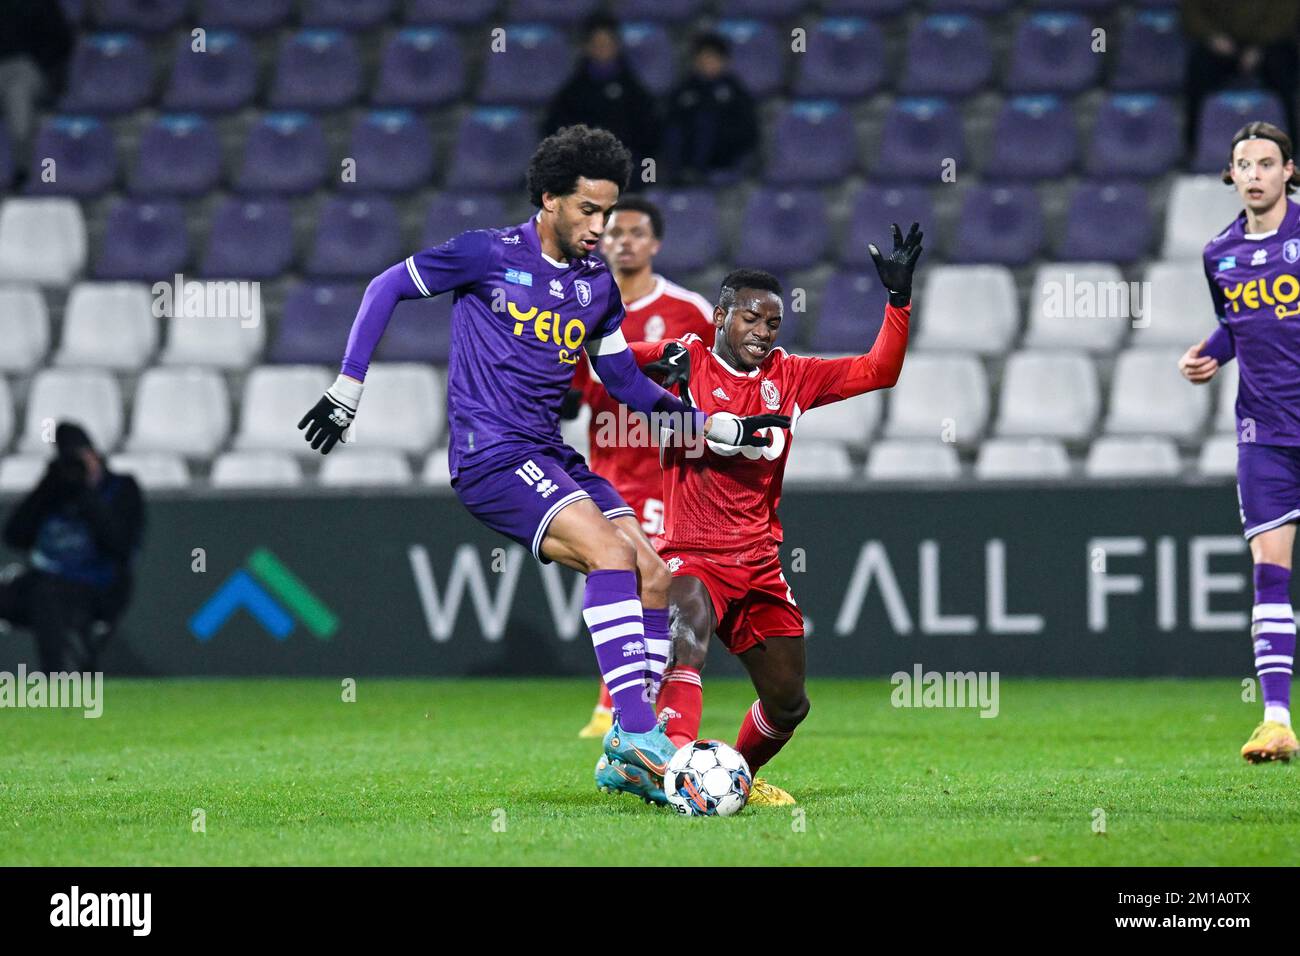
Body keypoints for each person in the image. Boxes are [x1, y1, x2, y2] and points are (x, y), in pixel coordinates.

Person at [297, 125, 784, 789]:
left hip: (548, 453)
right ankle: (639, 734)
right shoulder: (485, 255)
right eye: (589, 210)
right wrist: (346, 389)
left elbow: (626, 385)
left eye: (609, 213)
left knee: (650, 573)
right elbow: (386, 286)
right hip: (490, 453)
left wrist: (710, 428)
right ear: (549, 199)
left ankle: (624, 756)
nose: (601, 227)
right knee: (609, 556)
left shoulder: (596, 287)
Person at [608, 225, 922, 807]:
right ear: (721, 315)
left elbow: (880, 369)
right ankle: (668, 771)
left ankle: (730, 777)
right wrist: (648, 382)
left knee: (788, 701)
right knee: (687, 627)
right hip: (690, 550)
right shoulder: (686, 357)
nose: (762, 332)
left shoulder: (793, 376)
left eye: (773, 323)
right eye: (750, 319)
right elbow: (606, 363)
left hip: (759, 561)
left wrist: (898, 301)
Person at [564, 196, 715, 739]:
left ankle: (626, 707)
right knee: (625, 575)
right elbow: (573, 395)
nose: (624, 241)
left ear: (655, 243)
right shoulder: (582, 305)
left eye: (636, 232)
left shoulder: (689, 310)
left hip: (664, 473)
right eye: (615, 232)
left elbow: (715, 379)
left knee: (652, 579)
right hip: (604, 469)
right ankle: (632, 707)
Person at [1178, 120, 1300, 763]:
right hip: (1265, 434)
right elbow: (1236, 323)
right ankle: (1276, 720)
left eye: (1265, 163)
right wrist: (1210, 355)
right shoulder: (1218, 253)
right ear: (1232, 176)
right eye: (1243, 164)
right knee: (1270, 574)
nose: (1253, 173)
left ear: (1288, 172)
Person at [0, 422, 145, 671]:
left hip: (98, 587)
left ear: (94, 455)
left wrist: (86, 494)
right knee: (42, 591)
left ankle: (61, 678)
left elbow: (120, 545)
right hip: (45, 582)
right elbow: (15, 535)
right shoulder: (54, 489)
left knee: (48, 595)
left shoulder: (122, 488)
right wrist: (48, 485)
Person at [542, 14, 660, 181]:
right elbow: (555, 129)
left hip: (627, 167)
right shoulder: (573, 91)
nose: (602, 49)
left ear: (616, 46)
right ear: (587, 47)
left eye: (607, 44)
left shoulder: (633, 90)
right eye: (597, 44)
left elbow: (649, 132)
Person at [1182, 1, 1300, 154]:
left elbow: (1285, 15)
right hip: (1221, 43)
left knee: (1282, 70)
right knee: (1199, 68)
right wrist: (1212, 36)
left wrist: (1260, 46)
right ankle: (1193, 148)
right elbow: (1191, 12)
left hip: (1270, 44)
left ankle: (1291, 147)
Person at [660, 31, 760, 185]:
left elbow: (748, 131)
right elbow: (668, 124)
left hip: (723, 163)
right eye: (703, 57)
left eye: (713, 58)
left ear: (724, 61)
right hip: (682, 168)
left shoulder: (735, 92)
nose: (707, 63)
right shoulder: (683, 90)